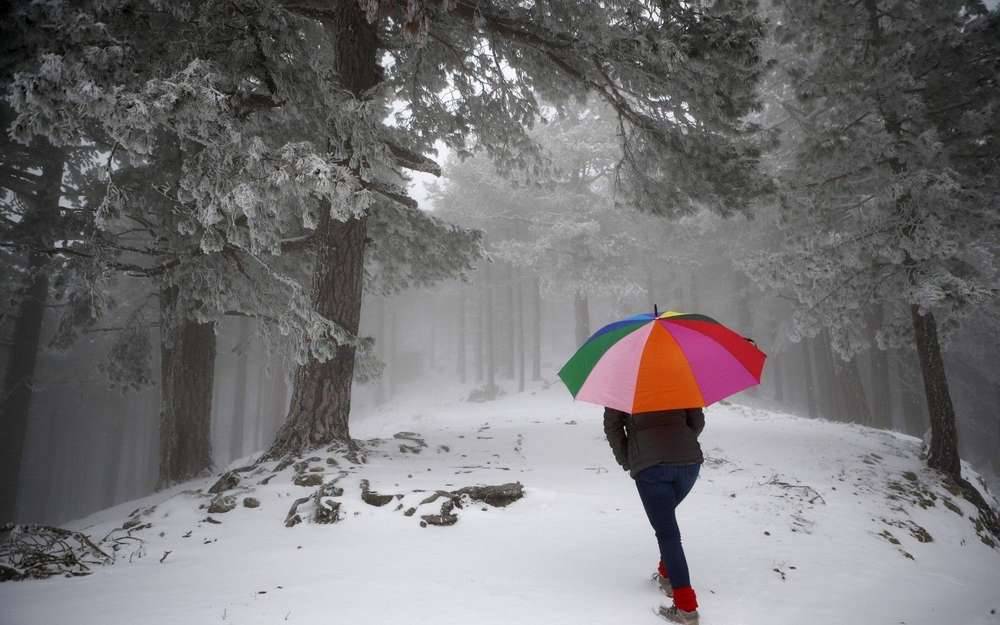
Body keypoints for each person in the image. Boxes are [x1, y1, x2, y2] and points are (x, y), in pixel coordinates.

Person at [604, 406, 705, 624]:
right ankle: (666, 575)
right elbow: (697, 421)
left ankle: (686, 608)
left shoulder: (622, 380)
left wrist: (630, 460)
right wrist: (680, 442)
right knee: (665, 523)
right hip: (688, 463)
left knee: (667, 532)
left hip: (651, 468)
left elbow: (613, 427)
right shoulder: (680, 375)